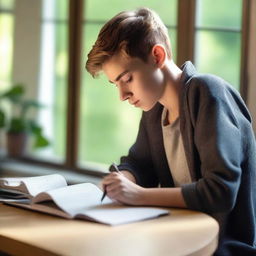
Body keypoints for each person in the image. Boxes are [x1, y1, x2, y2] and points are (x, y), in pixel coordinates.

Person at [85, 7, 256, 255]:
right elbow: (139, 164)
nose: (122, 96)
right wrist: (124, 180)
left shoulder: (208, 92)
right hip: (177, 238)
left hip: (222, 248)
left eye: (127, 79)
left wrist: (140, 196)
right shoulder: (155, 110)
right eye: (116, 85)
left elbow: (220, 191)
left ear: (157, 55)